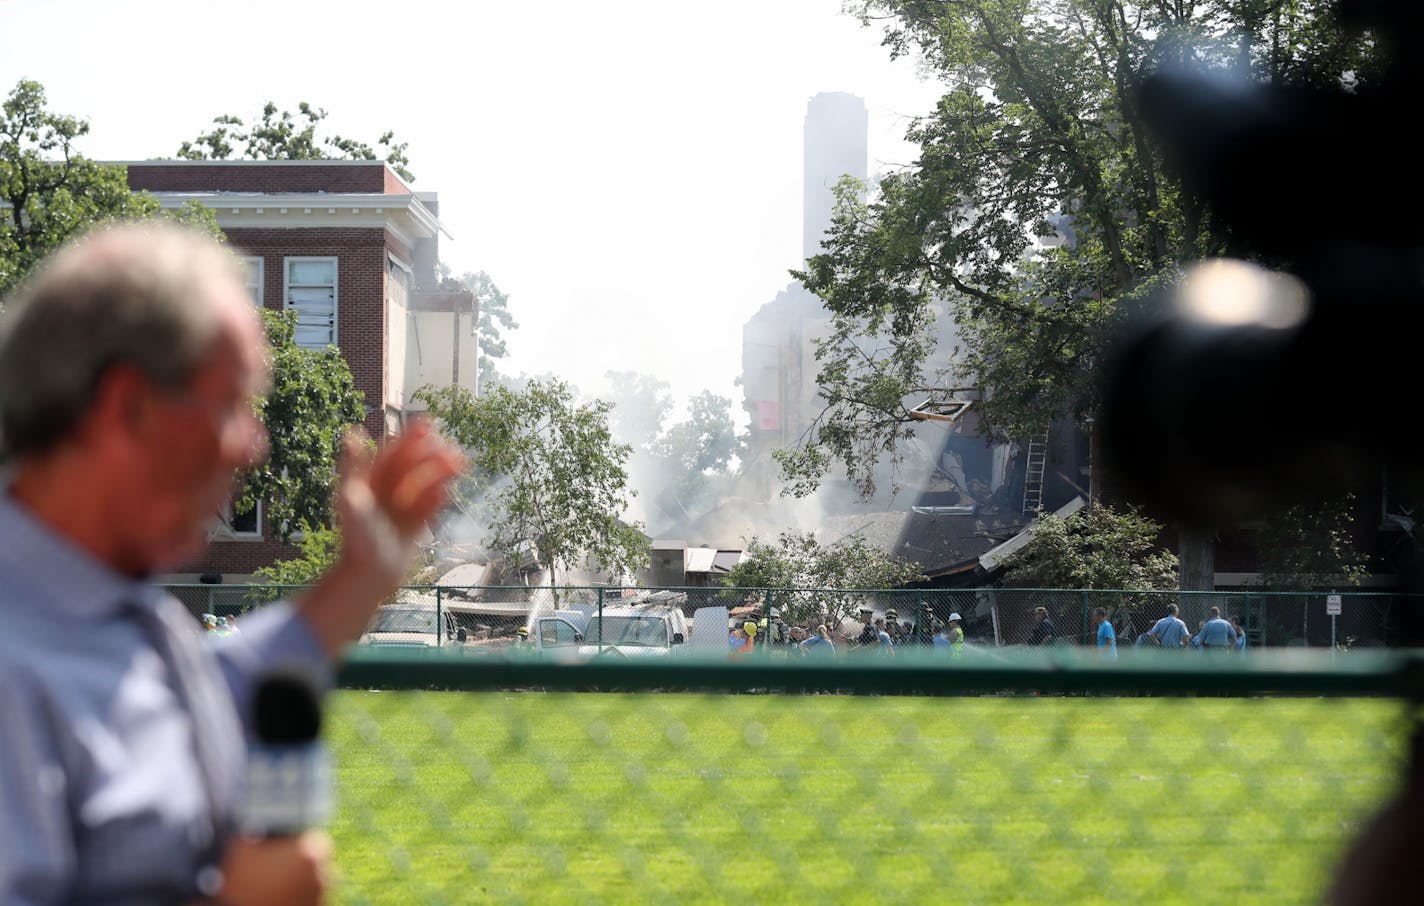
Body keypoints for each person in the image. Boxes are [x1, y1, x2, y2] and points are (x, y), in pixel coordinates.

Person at [0, 224, 463, 906]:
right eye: (230, 405)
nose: (251, 447)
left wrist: (362, 573)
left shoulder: (110, 614)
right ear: (128, 407)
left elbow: (224, 683)